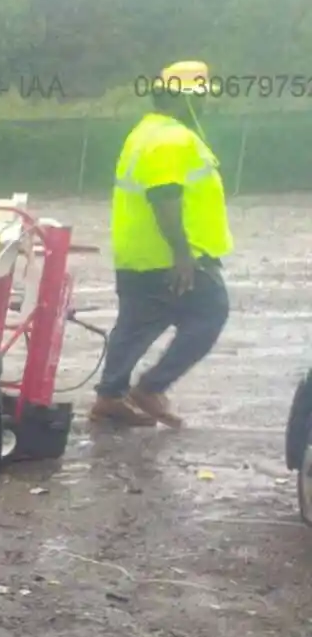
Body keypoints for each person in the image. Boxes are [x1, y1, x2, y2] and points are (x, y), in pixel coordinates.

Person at [88, 60, 234, 429]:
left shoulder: (147, 132)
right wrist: (182, 253)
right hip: (170, 255)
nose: (204, 105)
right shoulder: (171, 139)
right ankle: (149, 388)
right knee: (209, 311)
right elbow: (164, 196)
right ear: (185, 99)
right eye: (199, 97)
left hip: (140, 253)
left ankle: (110, 396)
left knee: (137, 323)